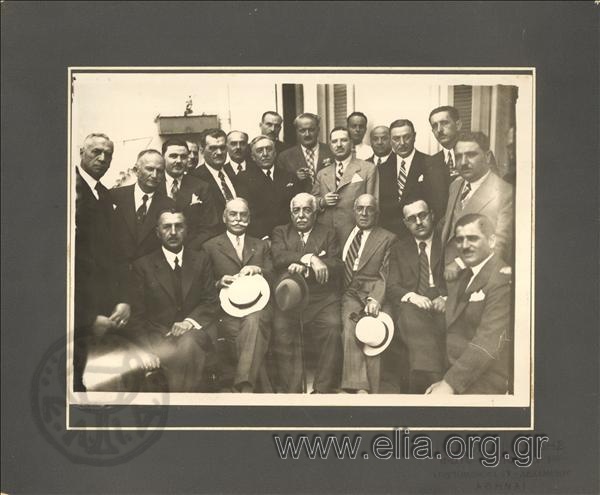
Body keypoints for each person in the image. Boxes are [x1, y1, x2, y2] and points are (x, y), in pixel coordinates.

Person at [128, 210, 219, 392]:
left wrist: (188, 322)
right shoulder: (142, 266)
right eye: (167, 227)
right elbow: (137, 316)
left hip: (195, 333)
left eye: (179, 226)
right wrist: (145, 350)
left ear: (187, 230)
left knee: (189, 344)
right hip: (159, 336)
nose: (173, 232)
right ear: (157, 232)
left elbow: (211, 301)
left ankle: (178, 402)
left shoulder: (201, 260)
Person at [426, 214, 512, 395]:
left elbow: (487, 342)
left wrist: (449, 384)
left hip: (485, 381)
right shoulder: (465, 275)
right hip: (458, 374)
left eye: (473, 238)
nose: (465, 246)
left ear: (491, 240)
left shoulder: (501, 280)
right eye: (459, 240)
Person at [74, 133, 130, 391]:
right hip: (81, 315)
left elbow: (115, 255)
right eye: (96, 151)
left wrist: (122, 299)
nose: (102, 158)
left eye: (108, 154)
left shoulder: (105, 196)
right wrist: (87, 317)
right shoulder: (70, 191)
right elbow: (67, 264)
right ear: (81, 152)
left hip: (108, 312)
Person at [271, 193, 343, 393]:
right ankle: (291, 391)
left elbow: (337, 264)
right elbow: (278, 257)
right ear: (291, 213)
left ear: (316, 212)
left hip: (322, 298)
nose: (301, 215)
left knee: (332, 326)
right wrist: (310, 258)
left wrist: (310, 264)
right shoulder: (280, 232)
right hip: (289, 299)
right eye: (296, 210)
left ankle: (323, 388)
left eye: (307, 210)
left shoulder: (328, 232)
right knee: (281, 330)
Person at [203, 198, 273, 392]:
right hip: (227, 313)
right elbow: (203, 285)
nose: (238, 219)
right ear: (224, 217)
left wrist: (259, 269)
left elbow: (273, 274)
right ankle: (260, 387)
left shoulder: (261, 245)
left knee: (255, 320)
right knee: (251, 334)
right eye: (233, 214)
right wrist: (218, 282)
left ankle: (243, 386)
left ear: (249, 219)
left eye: (243, 215)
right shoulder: (209, 247)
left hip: (259, 307)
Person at [387, 198, 446, 393]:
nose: (418, 222)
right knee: (410, 315)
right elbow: (392, 286)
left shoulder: (445, 242)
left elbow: (459, 279)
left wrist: (445, 298)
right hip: (412, 306)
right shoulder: (398, 249)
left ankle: (420, 385)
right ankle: (434, 378)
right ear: (405, 223)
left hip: (441, 304)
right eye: (412, 219)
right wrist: (413, 297)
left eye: (422, 215)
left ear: (432, 215)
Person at [339, 194, 396, 394]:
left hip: (373, 291)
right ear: (354, 211)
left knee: (375, 329)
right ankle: (358, 386)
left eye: (369, 209)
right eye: (360, 208)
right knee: (349, 326)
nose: (364, 213)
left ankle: (374, 388)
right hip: (349, 292)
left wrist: (375, 299)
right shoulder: (343, 232)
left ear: (376, 213)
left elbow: (385, 274)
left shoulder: (387, 238)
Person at [441, 131, 514, 281]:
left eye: (471, 155)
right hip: (445, 274)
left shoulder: (504, 192)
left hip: (476, 278)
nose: (463, 162)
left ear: (487, 157)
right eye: (458, 156)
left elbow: (500, 244)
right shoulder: (455, 186)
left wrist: (460, 264)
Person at [111, 149, 175, 268]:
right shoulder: (114, 197)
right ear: (136, 170)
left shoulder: (169, 205)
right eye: (150, 169)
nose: (155, 175)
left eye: (160, 171)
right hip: (116, 272)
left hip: (151, 274)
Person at [312, 126, 379, 240]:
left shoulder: (368, 169)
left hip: (354, 232)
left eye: (343, 140)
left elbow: (374, 204)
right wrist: (322, 202)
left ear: (351, 143)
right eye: (334, 141)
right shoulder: (322, 173)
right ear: (330, 145)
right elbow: (312, 201)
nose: (338, 145)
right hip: (326, 235)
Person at [235, 135, 301, 241]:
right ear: (253, 156)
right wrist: (264, 238)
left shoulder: (289, 177)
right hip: (260, 238)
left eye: (269, 149)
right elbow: (249, 212)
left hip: (289, 236)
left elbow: (295, 209)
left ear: (275, 153)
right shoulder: (243, 178)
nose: (265, 154)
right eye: (259, 150)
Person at [378, 119, 434, 237]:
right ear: (390, 140)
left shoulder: (430, 163)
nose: (402, 143)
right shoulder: (381, 169)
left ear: (414, 136)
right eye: (396, 139)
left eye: (406, 137)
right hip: (389, 235)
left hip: (420, 234)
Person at [160, 138, 220, 248]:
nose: (179, 161)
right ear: (163, 157)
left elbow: (210, 227)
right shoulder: (155, 186)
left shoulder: (201, 187)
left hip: (192, 251)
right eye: (173, 156)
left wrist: (187, 249)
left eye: (183, 157)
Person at [278, 113, 335, 192]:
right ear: (297, 132)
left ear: (318, 130)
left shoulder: (331, 151)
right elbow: (280, 186)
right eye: (302, 130)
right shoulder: (285, 157)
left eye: (311, 130)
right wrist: (295, 178)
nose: (307, 134)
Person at [191, 128, 239, 220]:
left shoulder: (234, 173)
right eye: (213, 148)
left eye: (222, 147)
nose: (219, 152)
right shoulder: (195, 178)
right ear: (201, 150)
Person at [427, 105, 463, 217]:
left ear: (458, 125)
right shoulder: (430, 163)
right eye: (434, 126)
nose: (439, 130)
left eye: (444, 123)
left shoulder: (477, 155)